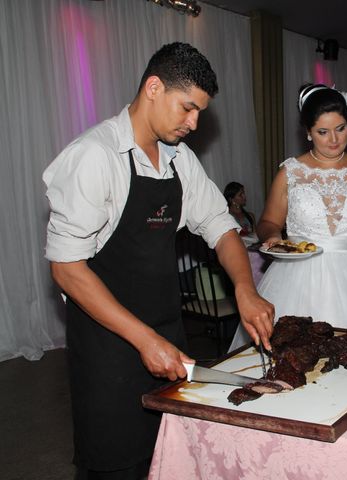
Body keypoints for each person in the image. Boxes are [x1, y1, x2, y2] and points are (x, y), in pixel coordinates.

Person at [43, 42, 274, 479]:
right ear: (153, 87)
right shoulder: (95, 157)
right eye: (187, 108)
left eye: (200, 113)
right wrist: (143, 339)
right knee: (115, 461)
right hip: (108, 343)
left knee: (168, 456)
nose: (194, 123)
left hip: (168, 329)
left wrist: (245, 288)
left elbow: (221, 228)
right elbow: (67, 268)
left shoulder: (179, 160)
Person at [229, 83, 347, 349]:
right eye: (323, 132)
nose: (334, 139)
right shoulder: (291, 172)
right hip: (297, 279)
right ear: (308, 133)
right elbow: (268, 221)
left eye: (341, 128)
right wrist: (273, 235)